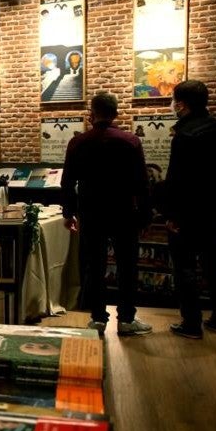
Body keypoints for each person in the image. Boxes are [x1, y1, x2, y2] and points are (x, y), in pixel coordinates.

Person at [62, 91, 152, 336]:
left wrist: (68, 213)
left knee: (93, 265)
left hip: (90, 212)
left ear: (92, 113)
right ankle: (126, 319)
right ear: (115, 114)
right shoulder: (130, 141)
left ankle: (98, 318)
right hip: (123, 212)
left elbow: (68, 182)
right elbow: (142, 183)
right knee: (127, 266)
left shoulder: (78, 142)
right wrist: (145, 216)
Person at [161, 80, 216, 339]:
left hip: (188, 213)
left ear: (181, 104)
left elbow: (177, 179)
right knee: (214, 264)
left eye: (173, 101)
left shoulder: (185, 136)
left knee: (185, 268)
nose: (172, 105)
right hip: (215, 210)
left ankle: (191, 323)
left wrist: (172, 215)